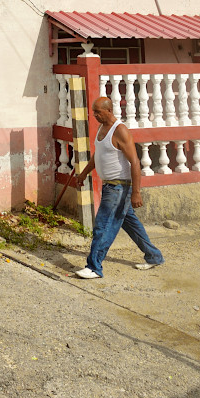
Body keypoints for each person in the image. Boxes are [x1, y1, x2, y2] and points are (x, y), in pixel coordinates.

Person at [70, 96, 164, 279]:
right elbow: (99, 155)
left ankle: (94, 267)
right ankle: (154, 256)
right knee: (131, 225)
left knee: (103, 226)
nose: (95, 115)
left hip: (119, 188)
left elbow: (135, 162)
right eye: (94, 111)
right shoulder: (101, 128)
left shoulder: (120, 130)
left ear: (109, 110)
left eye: (98, 112)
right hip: (110, 186)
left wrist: (136, 192)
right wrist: (83, 174)